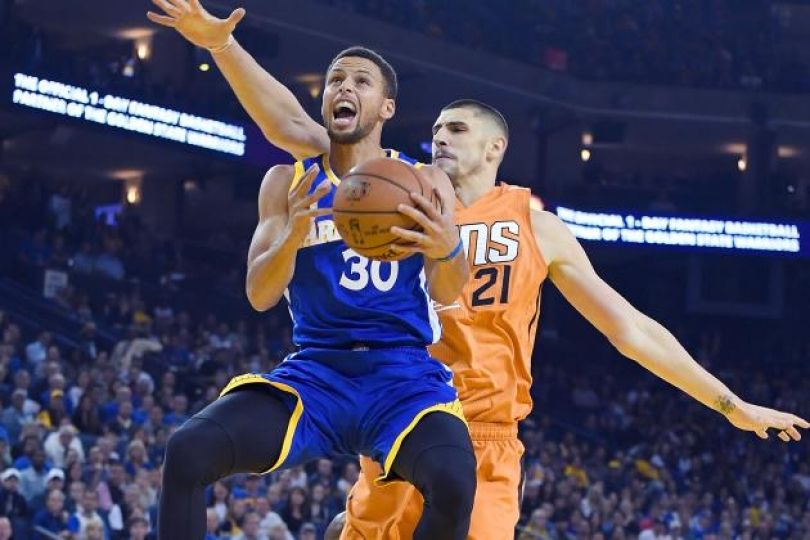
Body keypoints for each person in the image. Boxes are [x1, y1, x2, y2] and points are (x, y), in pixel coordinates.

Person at [148, 2, 809, 538]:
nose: (440, 136)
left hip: (473, 429)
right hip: (396, 408)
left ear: (496, 146)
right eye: (435, 127)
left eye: (456, 129)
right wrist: (222, 46)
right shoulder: (396, 192)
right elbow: (301, 130)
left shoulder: (526, 222)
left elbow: (630, 330)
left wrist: (728, 403)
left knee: (454, 489)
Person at [149, 5, 476, 540]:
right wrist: (292, 236)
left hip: (402, 377)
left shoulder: (423, 183)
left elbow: (448, 289)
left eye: (361, 81)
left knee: (456, 481)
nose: (343, 87)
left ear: (387, 107)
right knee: (187, 450)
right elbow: (259, 295)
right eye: (334, 80)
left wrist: (446, 249)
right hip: (316, 374)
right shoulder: (288, 182)